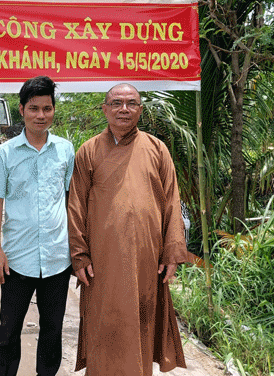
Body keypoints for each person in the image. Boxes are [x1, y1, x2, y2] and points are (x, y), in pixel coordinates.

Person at [68, 83, 189, 376]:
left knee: (142, 325)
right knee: (103, 326)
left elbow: (172, 201)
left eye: (131, 103)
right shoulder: (89, 150)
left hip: (147, 261)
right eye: (117, 102)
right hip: (102, 262)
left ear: (140, 110)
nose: (124, 108)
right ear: (105, 109)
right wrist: (79, 256)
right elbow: (75, 205)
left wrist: (172, 253)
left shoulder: (157, 149)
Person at [0, 75, 75, 376]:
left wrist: (78, 250)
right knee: (9, 331)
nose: (41, 115)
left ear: (53, 110)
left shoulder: (65, 150)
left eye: (47, 108)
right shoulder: (4, 154)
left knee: (52, 331)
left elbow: (71, 199)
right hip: (16, 260)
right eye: (34, 108)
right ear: (21, 110)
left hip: (58, 259)